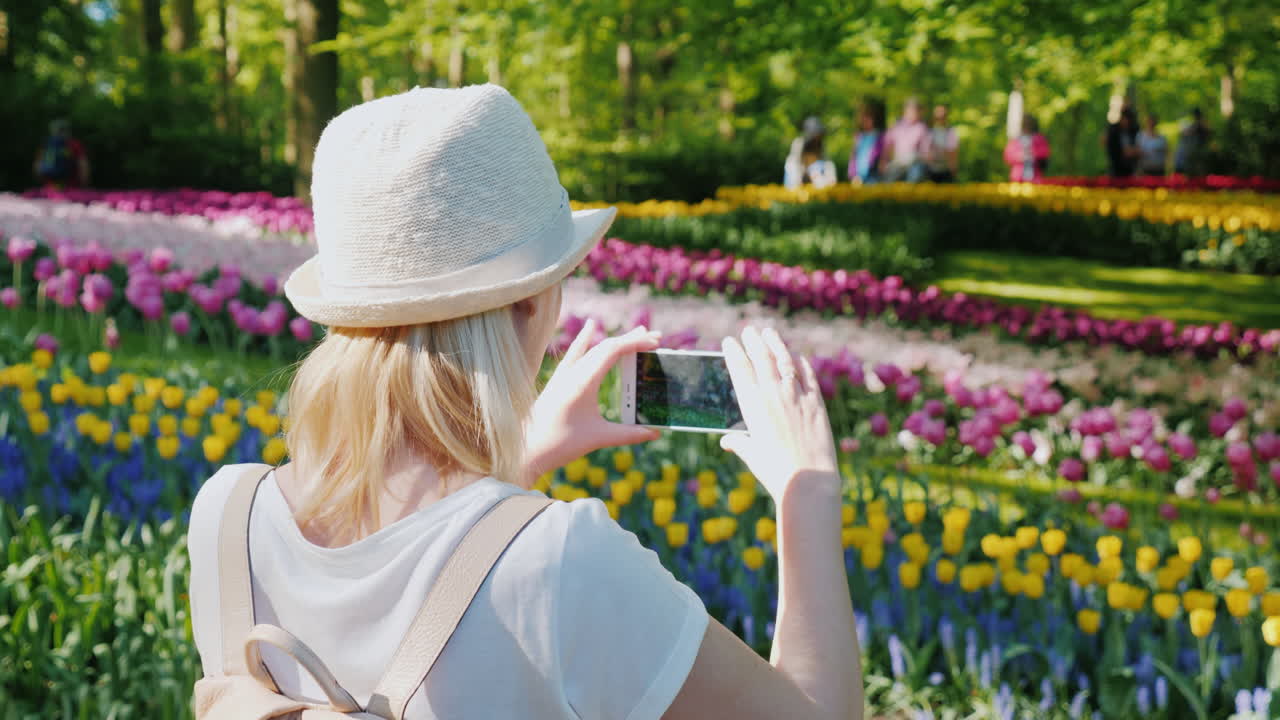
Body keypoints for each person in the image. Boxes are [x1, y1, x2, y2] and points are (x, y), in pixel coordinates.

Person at [187, 85, 862, 720]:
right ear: (535, 301)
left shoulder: (227, 516)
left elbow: (435, 604)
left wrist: (522, 456)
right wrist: (807, 491)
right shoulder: (565, 563)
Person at [33, 118, 90, 188]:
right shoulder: (74, 144)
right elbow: (83, 164)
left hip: (50, 186)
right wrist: (84, 182)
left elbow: (38, 163)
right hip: (72, 185)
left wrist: (39, 178)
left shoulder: (47, 144)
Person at [783, 116, 838, 189]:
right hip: (798, 176)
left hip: (814, 178)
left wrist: (831, 178)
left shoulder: (821, 145)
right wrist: (798, 182)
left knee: (817, 169)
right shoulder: (799, 144)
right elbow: (794, 165)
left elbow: (828, 163)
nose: (818, 137)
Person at [847, 99, 886, 184]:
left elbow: (882, 156)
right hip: (858, 175)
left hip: (873, 174)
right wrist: (852, 173)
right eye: (864, 119)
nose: (866, 121)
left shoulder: (879, 137)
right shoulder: (859, 137)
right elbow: (853, 156)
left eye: (868, 118)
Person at [1003, 115, 1051, 183]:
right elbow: (1007, 156)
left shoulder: (1039, 138)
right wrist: (1020, 156)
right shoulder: (1016, 139)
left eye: (1029, 123)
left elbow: (1045, 152)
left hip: (1035, 176)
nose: (1027, 126)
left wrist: (1034, 154)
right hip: (1018, 176)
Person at [923, 103, 959, 182]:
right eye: (938, 116)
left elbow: (953, 152)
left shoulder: (951, 132)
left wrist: (953, 168)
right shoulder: (929, 132)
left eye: (943, 116)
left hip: (946, 169)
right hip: (931, 169)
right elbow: (925, 152)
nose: (940, 118)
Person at [1174, 107, 1212, 176]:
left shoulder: (1201, 125)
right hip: (1186, 156)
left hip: (1196, 155)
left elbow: (1208, 132)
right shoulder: (1189, 124)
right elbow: (1185, 133)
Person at [1104, 107, 1139, 178]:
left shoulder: (1134, 132)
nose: (1126, 122)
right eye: (1124, 119)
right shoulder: (1114, 131)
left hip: (1130, 167)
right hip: (1116, 165)